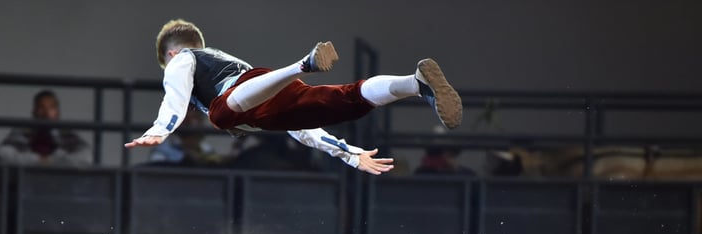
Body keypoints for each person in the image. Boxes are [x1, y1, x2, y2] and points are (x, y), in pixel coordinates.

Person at [124, 19, 462, 175]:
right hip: (272, 98)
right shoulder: (227, 64)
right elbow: (301, 129)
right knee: (349, 100)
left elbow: (175, 95)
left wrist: (161, 129)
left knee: (219, 115)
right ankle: (417, 84)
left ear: (170, 54)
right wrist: (347, 153)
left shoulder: (182, 59)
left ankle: (304, 64)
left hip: (254, 93)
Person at [0, 90, 92, 166]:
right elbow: (3, 154)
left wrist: (52, 161)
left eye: (51, 108)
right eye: (41, 107)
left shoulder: (66, 132)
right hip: (27, 179)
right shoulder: (23, 131)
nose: (46, 113)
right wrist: (37, 160)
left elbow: (86, 156)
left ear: (57, 113)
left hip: (60, 182)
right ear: (34, 111)